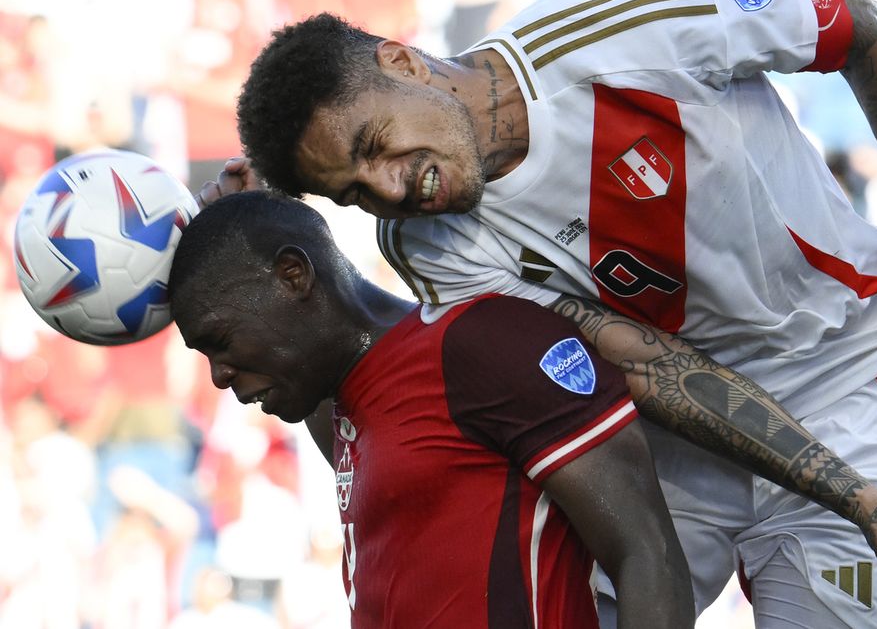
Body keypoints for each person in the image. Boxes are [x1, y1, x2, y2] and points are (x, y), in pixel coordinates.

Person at [222, 0, 877, 626]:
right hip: (672, 445)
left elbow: (862, 30)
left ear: (401, 61)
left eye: (375, 145)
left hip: (844, 379)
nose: (392, 189)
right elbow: (647, 367)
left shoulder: (638, 19)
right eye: (356, 192)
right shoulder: (422, 243)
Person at [167, 190, 696, 628]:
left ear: (292, 275)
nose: (218, 375)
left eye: (221, 339)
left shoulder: (484, 344)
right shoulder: (348, 408)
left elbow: (649, 555)